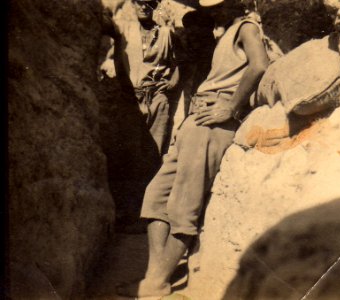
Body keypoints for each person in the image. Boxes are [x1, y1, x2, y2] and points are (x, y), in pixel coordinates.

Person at [117, 0, 269, 297]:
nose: (213, 10)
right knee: (155, 195)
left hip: (212, 125)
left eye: (220, 5)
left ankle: (155, 283)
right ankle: (155, 275)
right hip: (196, 121)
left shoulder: (247, 27)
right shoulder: (224, 32)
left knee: (183, 206)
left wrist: (232, 107)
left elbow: (260, 64)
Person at [104, 0, 181, 157]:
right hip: (130, 98)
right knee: (127, 151)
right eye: (140, 2)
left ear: (156, 5)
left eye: (149, 2)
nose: (144, 7)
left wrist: (173, 81)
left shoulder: (166, 33)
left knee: (154, 152)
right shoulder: (123, 28)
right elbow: (100, 21)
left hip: (157, 99)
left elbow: (184, 59)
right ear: (133, 4)